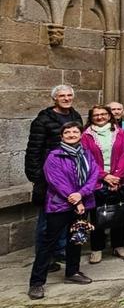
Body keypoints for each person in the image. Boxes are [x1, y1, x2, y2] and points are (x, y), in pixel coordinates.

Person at [28, 121, 98, 300]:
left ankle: (72, 272)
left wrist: (81, 194)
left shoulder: (86, 154)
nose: (72, 134)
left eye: (75, 131)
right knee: (48, 243)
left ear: (81, 134)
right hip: (60, 205)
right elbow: (55, 181)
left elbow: (93, 175)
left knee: (76, 238)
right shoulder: (54, 156)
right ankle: (36, 282)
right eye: (68, 132)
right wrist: (75, 199)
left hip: (83, 202)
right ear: (62, 136)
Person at [25, 84, 83, 273]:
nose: (66, 98)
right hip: (49, 177)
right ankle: (46, 257)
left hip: (72, 177)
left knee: (68, 218)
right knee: (46, 222)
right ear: (54, 99)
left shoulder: (75, 117)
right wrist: (36, 178)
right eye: (62, 96)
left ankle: (60, 251)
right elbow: (34, 150)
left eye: (69, 95)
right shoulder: (42, 120)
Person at [81, 105, 124, 264]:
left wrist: (116, 177)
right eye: (96, 115)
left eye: (103, 114)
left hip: (120, 180)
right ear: (91, 117)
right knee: (97, 216)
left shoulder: (120, 132)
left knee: (119, 213)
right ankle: (97, 248)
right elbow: (87, 159)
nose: (100, 117)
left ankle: (118, 246)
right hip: (97, 181)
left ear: (109, 116)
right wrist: (105, 176)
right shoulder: (86, 136)